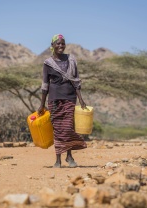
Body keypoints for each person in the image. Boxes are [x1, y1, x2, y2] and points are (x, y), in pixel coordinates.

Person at [37, 34, 87, 168]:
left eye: (63, 43)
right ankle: (58, 159)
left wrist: (81, 100)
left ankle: (69, 156)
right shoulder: (48, 63)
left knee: (67, 127)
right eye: (58, 43)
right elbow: (45, 85)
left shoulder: (71, 60)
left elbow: (76, 81)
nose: (61, 46)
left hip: (70, 98)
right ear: (52, 46)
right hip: (54, 100)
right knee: (58, 129)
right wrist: (42, 105)